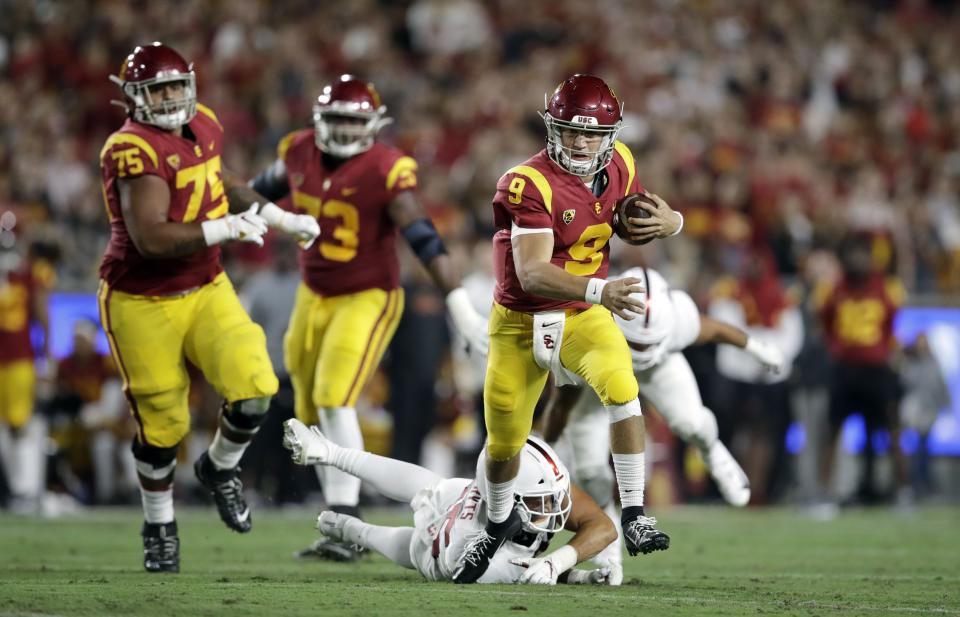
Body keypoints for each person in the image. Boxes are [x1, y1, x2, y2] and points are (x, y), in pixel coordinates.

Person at [97, 42, 320, 573]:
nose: (172, 97)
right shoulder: (130, 148)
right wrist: (224, 229)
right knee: (164, 425)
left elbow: (219, 185)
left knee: (257, 389)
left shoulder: (205, 124)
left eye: (177, 85)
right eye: (159, 89)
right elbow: (150, 237)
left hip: (205, 286)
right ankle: (159, 526)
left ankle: (219, 468)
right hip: (141, 299)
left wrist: (279, 218)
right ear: (134, 99)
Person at [452, 74, 683, 584]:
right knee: (505, 442)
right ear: (551, 128)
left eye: (592, 134)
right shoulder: (525, 182)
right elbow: (532, 271)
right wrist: (601, 290)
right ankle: (494, 525)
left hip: (581, 317)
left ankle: (635, 514)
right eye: (569, 131)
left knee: (623, 389)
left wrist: (673, 223)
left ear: (611, 134)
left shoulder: (621, 162)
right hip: (520, 320)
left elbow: (632, 215)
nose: (580, 142)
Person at [249, 74, 489, 560]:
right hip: (313, 294)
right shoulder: (297, 150)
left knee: (336, 400)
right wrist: (249, 216)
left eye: (351, 120)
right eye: (334, 119)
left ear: (374, 124)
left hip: (367, 294)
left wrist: (458, 301)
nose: (340, 130)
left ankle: (347, 523)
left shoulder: (386, 167)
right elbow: (259, 190)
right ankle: (337, 521)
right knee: (309, 410)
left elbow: (420, 233)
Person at [540, 267, 788, 568]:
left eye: (648, 343)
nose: (642, 349)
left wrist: (758, 349)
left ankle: (714, 452)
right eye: (637, 344)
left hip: (660, 367)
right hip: (601, 363)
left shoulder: (676, 319)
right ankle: (607, 534)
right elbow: (562, 403)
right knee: (590, 468)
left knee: (690, 422)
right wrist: (546, 446)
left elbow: (717, 330)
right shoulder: (587, 326)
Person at [282, 418, 621, 585]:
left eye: (552, 498)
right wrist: (578, 577)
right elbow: (471, 576)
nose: (554, 508)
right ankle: (354, 527)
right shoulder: (467, 539)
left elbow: (604, 528)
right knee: (418, 546)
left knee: (432, 485)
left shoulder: (543, 487)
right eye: (542, 501)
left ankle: (333, 469)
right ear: (510, 497)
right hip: (444, 548)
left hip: (464, 497)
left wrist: (557, 561)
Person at [816, 236, 906, 505]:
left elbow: (893, 324)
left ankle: (903, 491)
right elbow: (826, 322)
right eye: (852, 255)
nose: (857, 261)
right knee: (832, 431)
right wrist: (839, 349)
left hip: (877, 369)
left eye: (862, 255)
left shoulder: (888, 287)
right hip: (845, 369)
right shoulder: (834, 288)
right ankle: (824, 494)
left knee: (892, 429)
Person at [0, 220, 53, 513]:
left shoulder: (31, 273)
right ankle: (15, 489)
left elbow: (42, 313)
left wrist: (46, 356)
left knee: (20, 423)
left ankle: (26, 489)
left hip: (20, 358)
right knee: (6, 427)